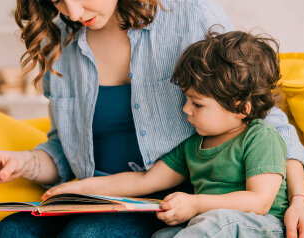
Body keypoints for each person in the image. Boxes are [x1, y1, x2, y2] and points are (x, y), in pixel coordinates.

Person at [0, 0, 304, 237]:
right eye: (58, 1)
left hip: (170, 199)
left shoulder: (187, 13)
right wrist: (25, 162)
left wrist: (299, 199)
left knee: (89, 234)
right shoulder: (61, 43)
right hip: (95, 197)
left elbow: (261, 112)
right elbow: (63, 148)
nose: (73, 12)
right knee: (13, 230)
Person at [41, 29, 290, 237]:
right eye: (187, 100)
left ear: (241, 108)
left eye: (197, 103)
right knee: (163, 235)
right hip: (206, 225)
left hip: (259, 225)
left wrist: (195, 204)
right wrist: (80, 189)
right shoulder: (192, 145)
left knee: (212, 226)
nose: (185, 109)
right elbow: (144, 181)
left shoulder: (260, 137)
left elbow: (259, 201)